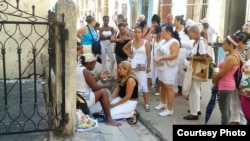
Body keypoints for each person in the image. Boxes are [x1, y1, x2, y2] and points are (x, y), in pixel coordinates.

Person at [76, 53, 121, 126]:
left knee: (99, 91)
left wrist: (99, 77)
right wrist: (106, 86)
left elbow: (90, 81)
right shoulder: (86, 71)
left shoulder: (79, 68)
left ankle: (104, 113)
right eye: (94, 64)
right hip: (82, 99)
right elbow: (95, 87)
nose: (94, 66)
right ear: (89, 64)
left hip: (78, 97)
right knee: (103, 92)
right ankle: (109, 119)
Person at [212, 35, 240, 125]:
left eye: (224, 44)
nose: (222, 46)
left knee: (224, 111)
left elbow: (221, 74)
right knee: (226, 110)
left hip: (225, 86)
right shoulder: (229, 55)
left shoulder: (231, 58)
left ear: (231, 45)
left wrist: (214, 80)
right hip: (225, 85)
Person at [123, 26, 151, 112]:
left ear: (142, 33)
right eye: (135, 32)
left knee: (143, 85)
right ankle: (135, 101)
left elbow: (149, 55)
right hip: (133, 66)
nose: (137, 34)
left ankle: (147, 104)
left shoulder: (146, 42)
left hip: (142, 66)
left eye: (139, 32)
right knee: (134, 83)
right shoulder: (131, 42)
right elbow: (124, 48)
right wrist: (129, 55)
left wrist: (148, 66)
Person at [154, 26, 180, 116]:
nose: (161, 33)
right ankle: (163, 103)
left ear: (169, 32)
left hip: (170, 68)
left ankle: (170, 109)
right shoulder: (164, 41)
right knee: (162, 85)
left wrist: (162, 57)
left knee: (169, 87)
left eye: (163, 31)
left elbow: (174, 55)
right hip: (162, 67)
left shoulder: (174, 42)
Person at [183, 24, 207, 120]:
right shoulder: (198, 42)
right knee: (195, 89)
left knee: (194, 90)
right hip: (196, 68)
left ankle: (194, 113)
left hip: (196, 69)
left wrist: (192, 57)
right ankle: (196, 109)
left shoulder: (200, 42)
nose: (188, 35)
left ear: (194, 33)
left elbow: (203, 56)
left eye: (189, 33)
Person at [173, 15, 194, 97]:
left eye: (175, 20)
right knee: (177, 74)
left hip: (186, 55)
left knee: (185, 74)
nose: (174, 22)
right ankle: (179, 90)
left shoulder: (187, 33)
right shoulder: (174, 31)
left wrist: (180, 44)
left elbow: (191, 45)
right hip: (177, 54)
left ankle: (190, 93)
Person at [148, 25, 163, 96]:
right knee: (150, 72)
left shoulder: (164, 39)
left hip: (160, 57)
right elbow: (150, 46)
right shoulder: (153, 38)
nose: (161, 34)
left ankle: (158, 89)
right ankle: (147, 87)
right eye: (159, 33)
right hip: (152, 56)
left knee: (159, 73)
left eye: (161, 32)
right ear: (156, 33)